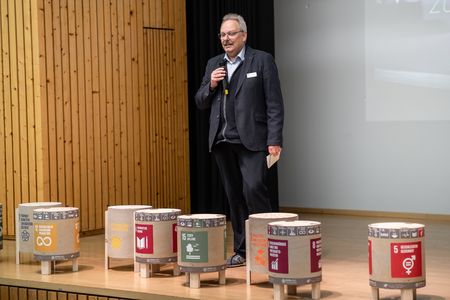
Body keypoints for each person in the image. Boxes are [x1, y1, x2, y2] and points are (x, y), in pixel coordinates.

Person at [195, 13, 284, 267]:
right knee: (234, 196)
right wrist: (210, 85)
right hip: (222, 142)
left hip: (253, 141)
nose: (226, 39)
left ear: (244, 35)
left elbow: (274, 104)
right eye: (222, 34)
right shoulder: (214, 63)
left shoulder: (262, 61)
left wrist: (275, 138)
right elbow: (200, 101)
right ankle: (243, 251)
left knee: (254, 189)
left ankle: (269, 247)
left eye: (231, 33)